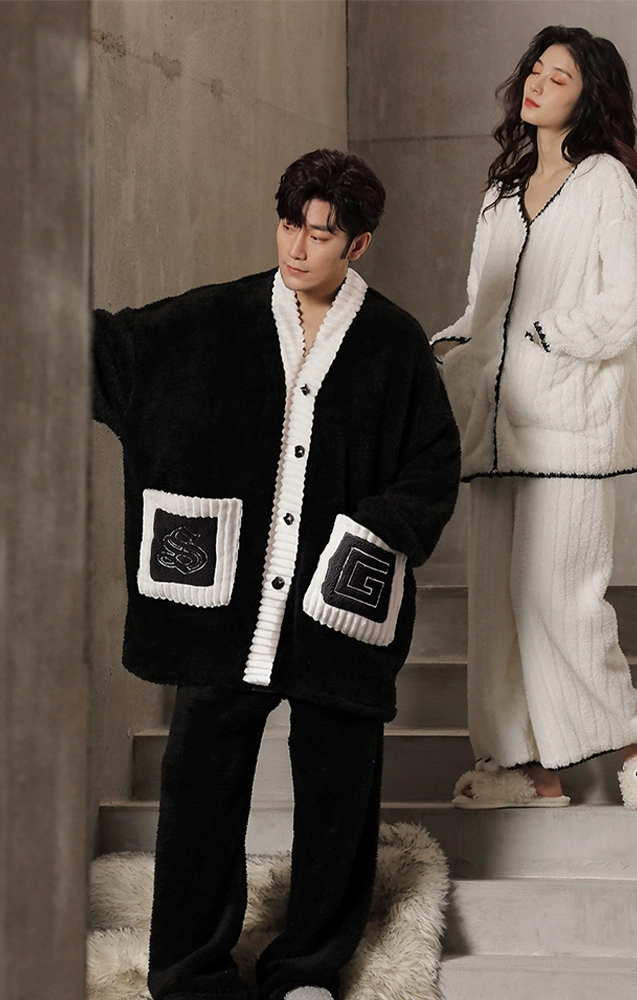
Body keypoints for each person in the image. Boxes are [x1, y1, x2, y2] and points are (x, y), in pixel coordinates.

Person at [93, 148, 460, 1000]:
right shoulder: (213, 319)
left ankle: (308, 966)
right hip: (226, 610)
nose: (298, 247)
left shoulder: (393, 344)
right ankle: (191, 972)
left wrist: (374, 533)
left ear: (358, 245)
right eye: (290, 225)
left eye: (321, 234)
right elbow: (112, 355)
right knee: (200, 784)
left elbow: (434, 465)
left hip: (335, 608)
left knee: (338, 789)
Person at [431, 26, 637, 812]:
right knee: (495, 610)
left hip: (571, 425)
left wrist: (546, 336)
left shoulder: (605, 179)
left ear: (589, 94)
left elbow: (634, 303)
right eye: (535, 71)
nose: (538, 84)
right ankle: (525, 768)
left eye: (560, 76)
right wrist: (448, 352)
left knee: (561, 596)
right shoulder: (499, 195)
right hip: (496, 425)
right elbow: (481, 308)